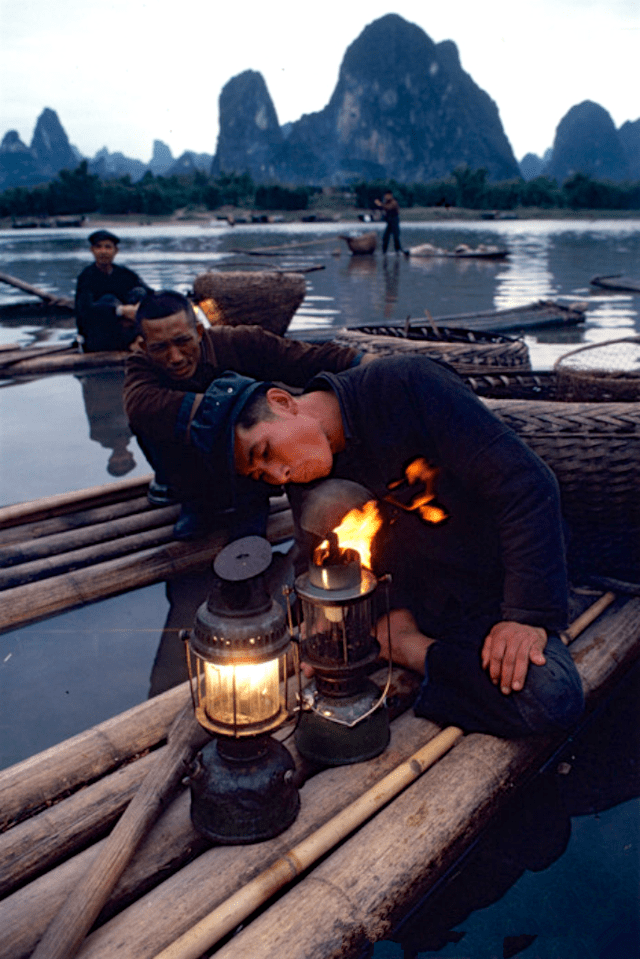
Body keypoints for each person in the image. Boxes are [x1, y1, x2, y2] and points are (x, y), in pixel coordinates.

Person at [186, 354, 585, 739]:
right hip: (414, 595)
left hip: (500, 585)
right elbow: (319, 562)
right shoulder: (305, 477)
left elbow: (526, 485)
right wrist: (326, 627)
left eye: (265, 452)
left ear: (282, 402)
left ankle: (410, 650)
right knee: (328, 504)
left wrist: (524, 615)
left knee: (550, 697)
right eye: (261, 474)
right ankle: (407, 641)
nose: (278, 474)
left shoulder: (406, 384)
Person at [123, 290, 369, 539]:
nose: (175, 357)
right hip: (192, 474)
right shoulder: (140, 366)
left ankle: (252, 502)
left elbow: (303, 359)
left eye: (182, 341)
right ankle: (196, 503)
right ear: (144, 347)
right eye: (160, 347)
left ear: (199, 332)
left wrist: (365, 362)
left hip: (253, 473)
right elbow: (139, 405)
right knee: (148, 424)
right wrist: (230, 407)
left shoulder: (240, 341)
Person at [75, 229, 152, 352]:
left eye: (108, 247)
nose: (103, 251)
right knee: (109, 299)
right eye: (98, 247)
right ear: (92, 250)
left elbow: (150, 293)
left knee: (139, 292)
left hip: (127, 328)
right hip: (99, 336)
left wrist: (138, 307)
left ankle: (136, 339)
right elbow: (84, 312)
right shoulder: (86, 277)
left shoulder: (125, 274)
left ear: (116, 251)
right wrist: (120, 311)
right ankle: (131, 343)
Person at [375, 190, 405, 255]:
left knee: (396, 236)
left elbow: (389, 208)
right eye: (385, 196)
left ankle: (398, 251)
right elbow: (384, 209)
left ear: (390, 195)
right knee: (385, 236)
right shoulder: (386, 202)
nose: (386, 197)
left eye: (387, 195)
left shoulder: (394, 202)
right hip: (389, 221)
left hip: (394, 220)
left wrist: (380, 204)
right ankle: (384, 251)